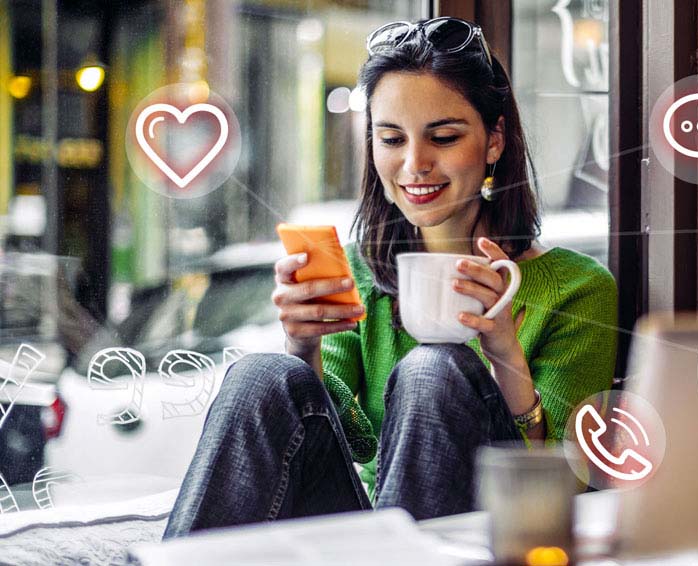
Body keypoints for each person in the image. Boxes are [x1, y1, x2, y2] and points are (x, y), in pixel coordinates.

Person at [164, 16, 617, 537]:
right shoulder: (359, 270)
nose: (414, 164)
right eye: (391, 138)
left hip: (485, 534)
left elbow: (564, 485)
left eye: (443, 137)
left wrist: (505, 355)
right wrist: (303, 348)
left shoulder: (577, 289)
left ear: (494, 141)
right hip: (369, 531)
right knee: (261, 373)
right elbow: (352, 442)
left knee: (433, 368)